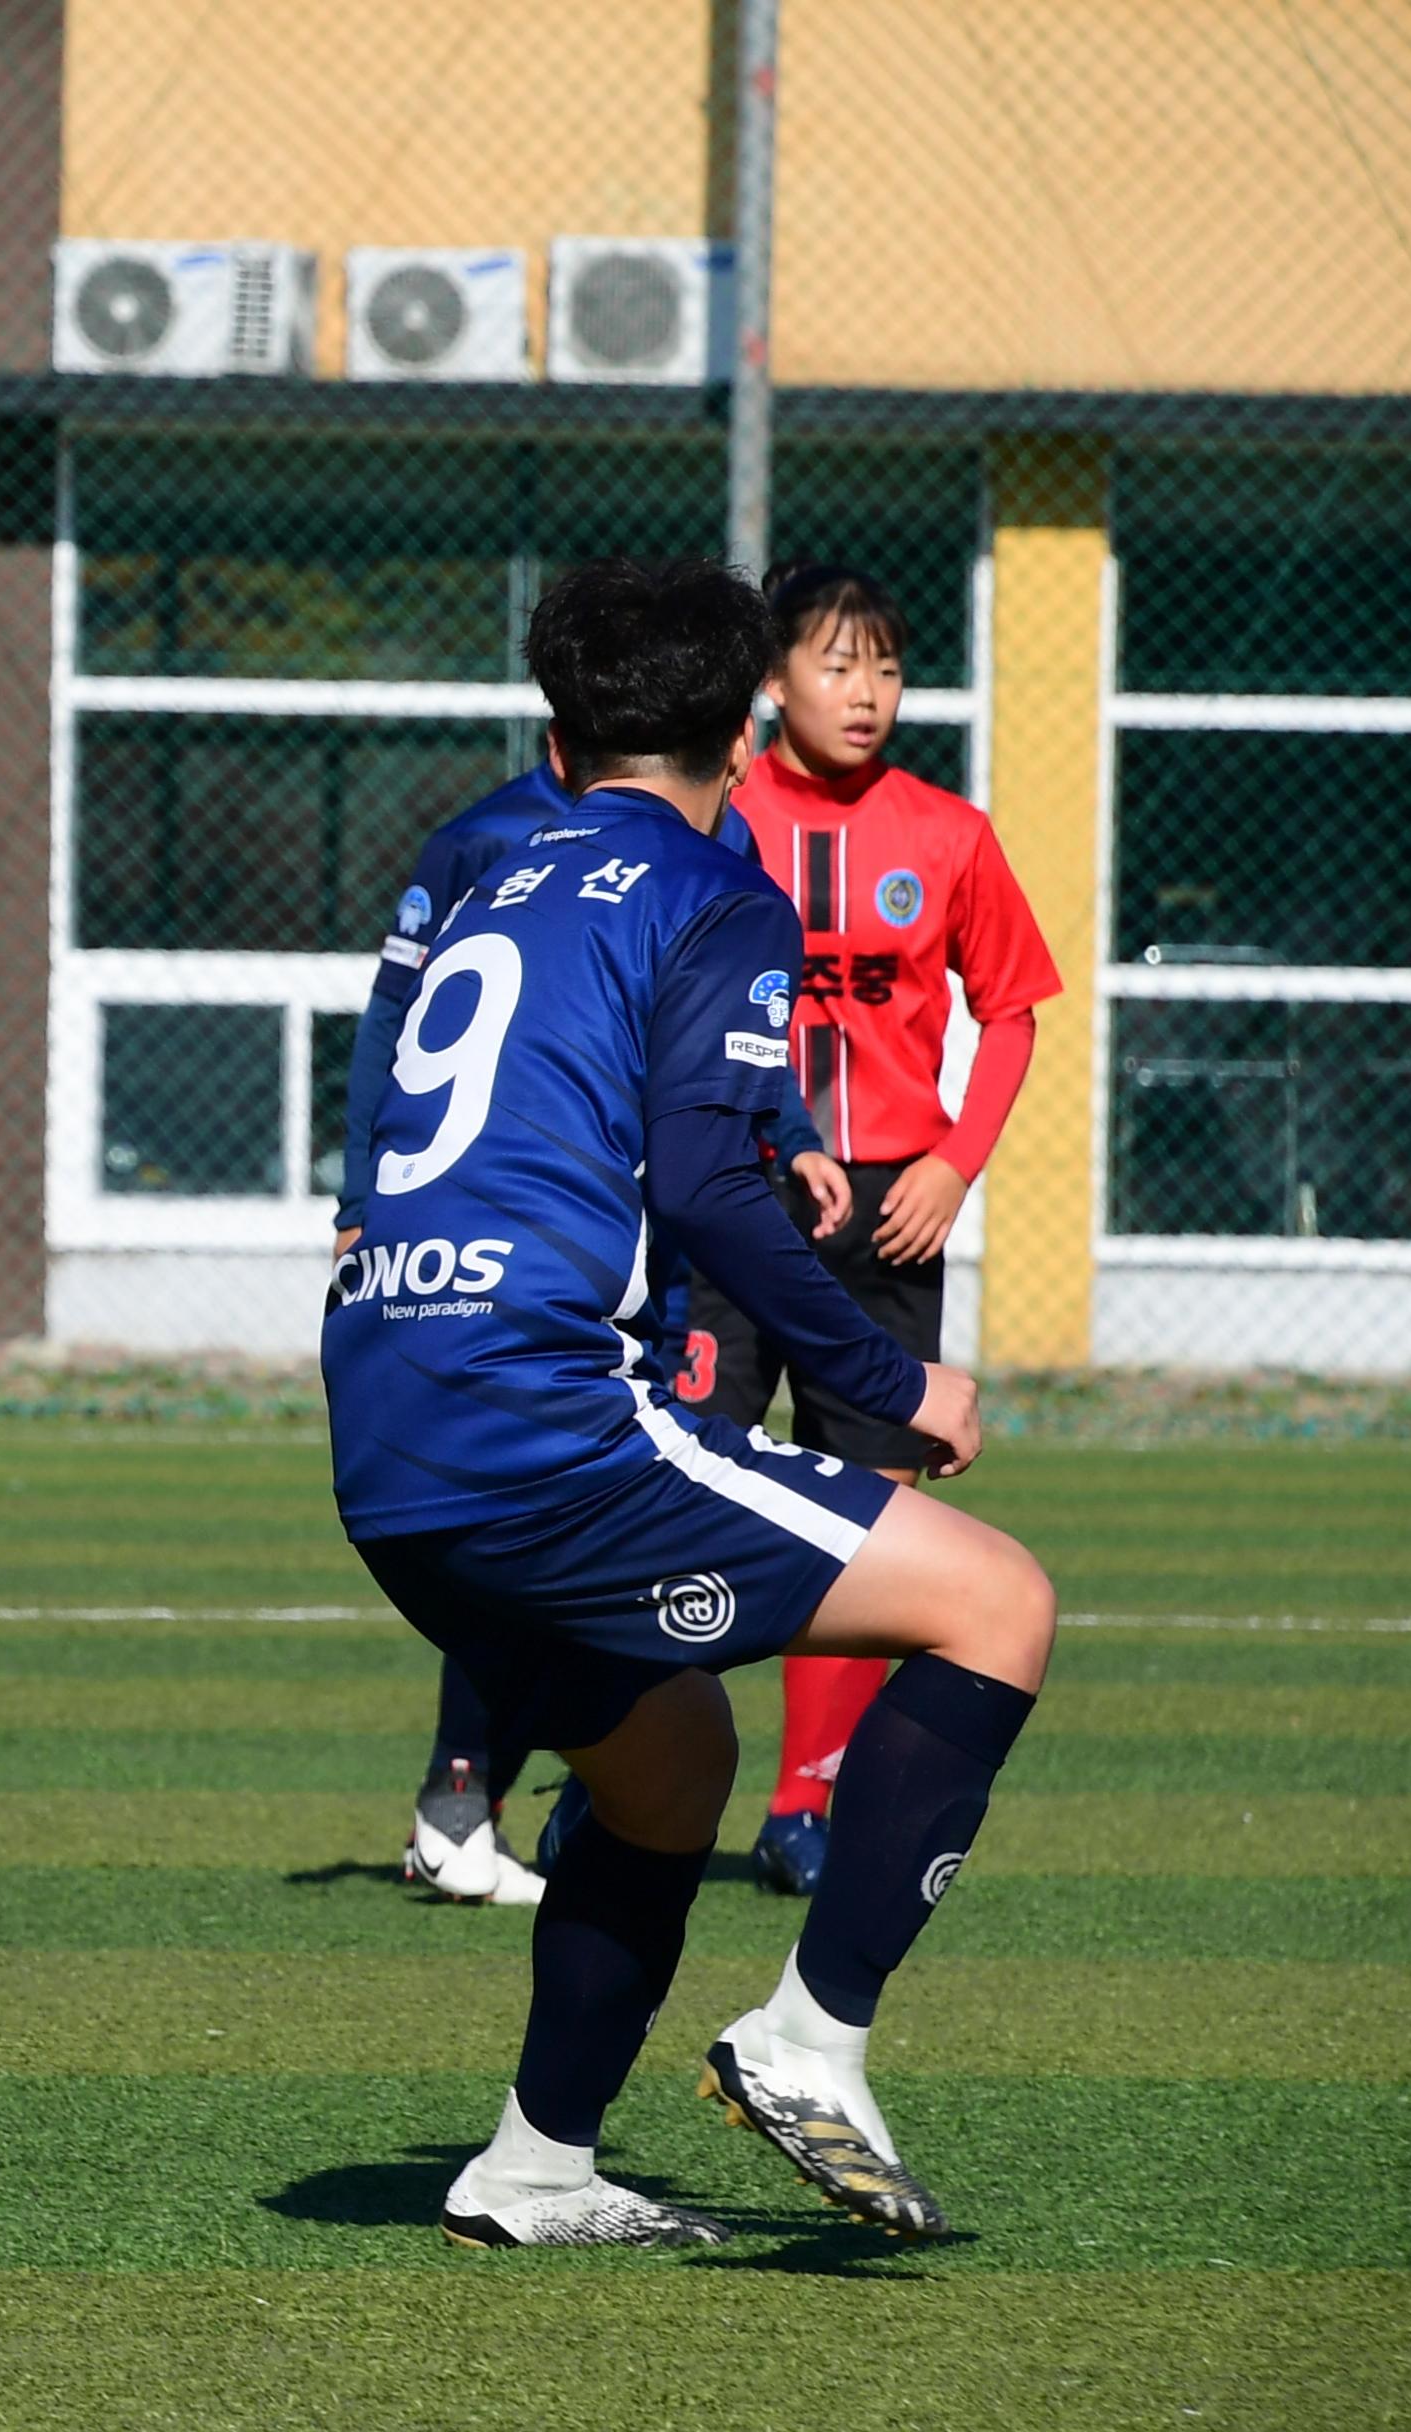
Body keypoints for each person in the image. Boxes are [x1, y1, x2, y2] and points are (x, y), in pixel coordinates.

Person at [324, 557, 1055, 2248]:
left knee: (665, 1767)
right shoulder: (716, 887)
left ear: (553, 730)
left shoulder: (493, 866)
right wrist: (891, 1378)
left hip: (380, 1414)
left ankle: (532, 2164)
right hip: (539, 1417)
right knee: (996, 1601)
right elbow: (706, 1190)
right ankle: (807, 2038)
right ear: (741, 723)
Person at [338, 763, 848, 1905]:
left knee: (613, 1526)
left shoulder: (719, 840)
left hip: (651, 1254)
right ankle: (466, 1795)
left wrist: (795, 1130)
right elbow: (394, 1023)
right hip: (535, 1262)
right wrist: (357, 1202)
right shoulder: (485, 840)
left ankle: (551, 1797)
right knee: (544, 1518)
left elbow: (733, 1029)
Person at [692, 564, 1062, 1897]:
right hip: (734, 1208)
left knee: (866, 1515)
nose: (865, 692)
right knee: (687, 1482)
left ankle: (804, 1807)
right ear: (774, 682)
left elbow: (1013, 1009)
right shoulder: (715, 822)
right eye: (837, 664)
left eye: (888, 666)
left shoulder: (949, 834)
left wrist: (956, 1164)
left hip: (890, 1213)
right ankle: (622, 1784)